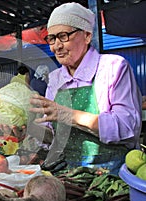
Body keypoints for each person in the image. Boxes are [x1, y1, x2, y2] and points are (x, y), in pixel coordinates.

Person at [28, 2, 142, 174]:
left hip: (112, 173)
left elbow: (127, 128)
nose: (56, 46)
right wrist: (31, 129)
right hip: (71, 174)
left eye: (63, 36)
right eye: (51, 38)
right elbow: (56, 136)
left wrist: (67, 115)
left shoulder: (113, 67)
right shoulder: (55, 79)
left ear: (87, 36)